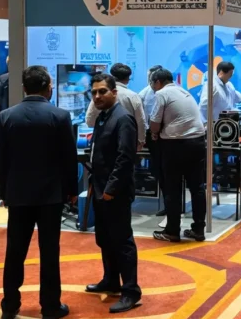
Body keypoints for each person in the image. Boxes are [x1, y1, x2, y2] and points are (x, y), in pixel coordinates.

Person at [0, 65, 78, 319]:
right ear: (48, 87)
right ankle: (50, 307)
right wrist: (72, 190)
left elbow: (1, 159)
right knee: (49, 252)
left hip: (17, 194)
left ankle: (9, 305)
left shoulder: (7, 116)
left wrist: (4, 192)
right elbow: (68, 158)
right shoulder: (60, 116)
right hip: (50, 196)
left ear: (24, 87)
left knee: (14, 251)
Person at [85, 73, 142, 313]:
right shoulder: (102, 117)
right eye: (94, 92)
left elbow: (125, 158)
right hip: (100, 188)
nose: (97, 96)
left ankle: (131, 291)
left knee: (121, 241)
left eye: (102, 91)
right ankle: (110, 280)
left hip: (114, 192)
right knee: (105, 238)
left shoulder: (123, 119)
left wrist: (111, 189)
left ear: (114, 92)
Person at [148, 68, 206, 243]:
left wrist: (154, 134)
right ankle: (198, 230)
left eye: (152, 83)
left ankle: (172, 231)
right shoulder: (183, 91)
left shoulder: (161, 94)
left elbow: (154, 124)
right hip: (198, 142)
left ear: (158, 82)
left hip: (175, 145)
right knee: (197, 188)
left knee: (172, 189)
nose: (152, 87)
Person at [85, 63, 145, 149]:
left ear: (111, 77)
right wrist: (141, 140)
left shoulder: (99, 94)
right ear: (128, 79)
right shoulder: (133, 96)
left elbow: (90, 121)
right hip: (128, 139)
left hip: (103, 140)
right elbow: (140, 120)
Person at [138, 65, 165, 216]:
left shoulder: (168, 93)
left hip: (168, 135)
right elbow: (141, 119)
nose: (151, 81)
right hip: (152, 136)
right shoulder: (143, 95)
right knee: (158, 169)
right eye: (149, 78)